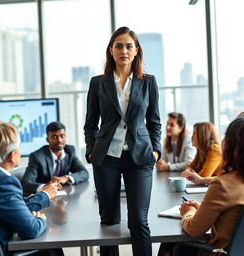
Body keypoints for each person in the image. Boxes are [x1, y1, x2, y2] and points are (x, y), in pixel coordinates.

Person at [84, 26, 161, 256]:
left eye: (129, 46)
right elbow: (90, 123)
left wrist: (155, 150)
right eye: (119, 46)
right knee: (109, 222)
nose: (124, 50)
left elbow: (154, 121)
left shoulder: (148, 82)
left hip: (140, 157)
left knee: (138, 220)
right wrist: (91, 151)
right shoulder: (98, 82)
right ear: (111, 50)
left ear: (136, 50)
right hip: (106, 158)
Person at [158, 117, 244, 256]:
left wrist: (189, 211)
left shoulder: (223, 185)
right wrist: (203, 208)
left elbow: (194, 230)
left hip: (218, 252)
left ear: (232, 144)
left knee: (172, 243)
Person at [0, 120, 63, 256]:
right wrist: (40, 219)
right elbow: (31, 229)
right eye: (19, 147)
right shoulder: (3, 182)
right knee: (53, 246)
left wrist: (44, 194)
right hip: (5, 250)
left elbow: (14, 205)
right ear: (12, 155)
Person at [22, 121, 89, 195]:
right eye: (54, 137)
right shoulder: (37, 156)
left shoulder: (69, 151)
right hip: (44, 198)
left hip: (64, 196)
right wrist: (46, 187)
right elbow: (26, 182)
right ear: (48, 139)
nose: (59, 140)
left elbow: (84, 173)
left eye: (62, 136)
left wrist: (66, 178)